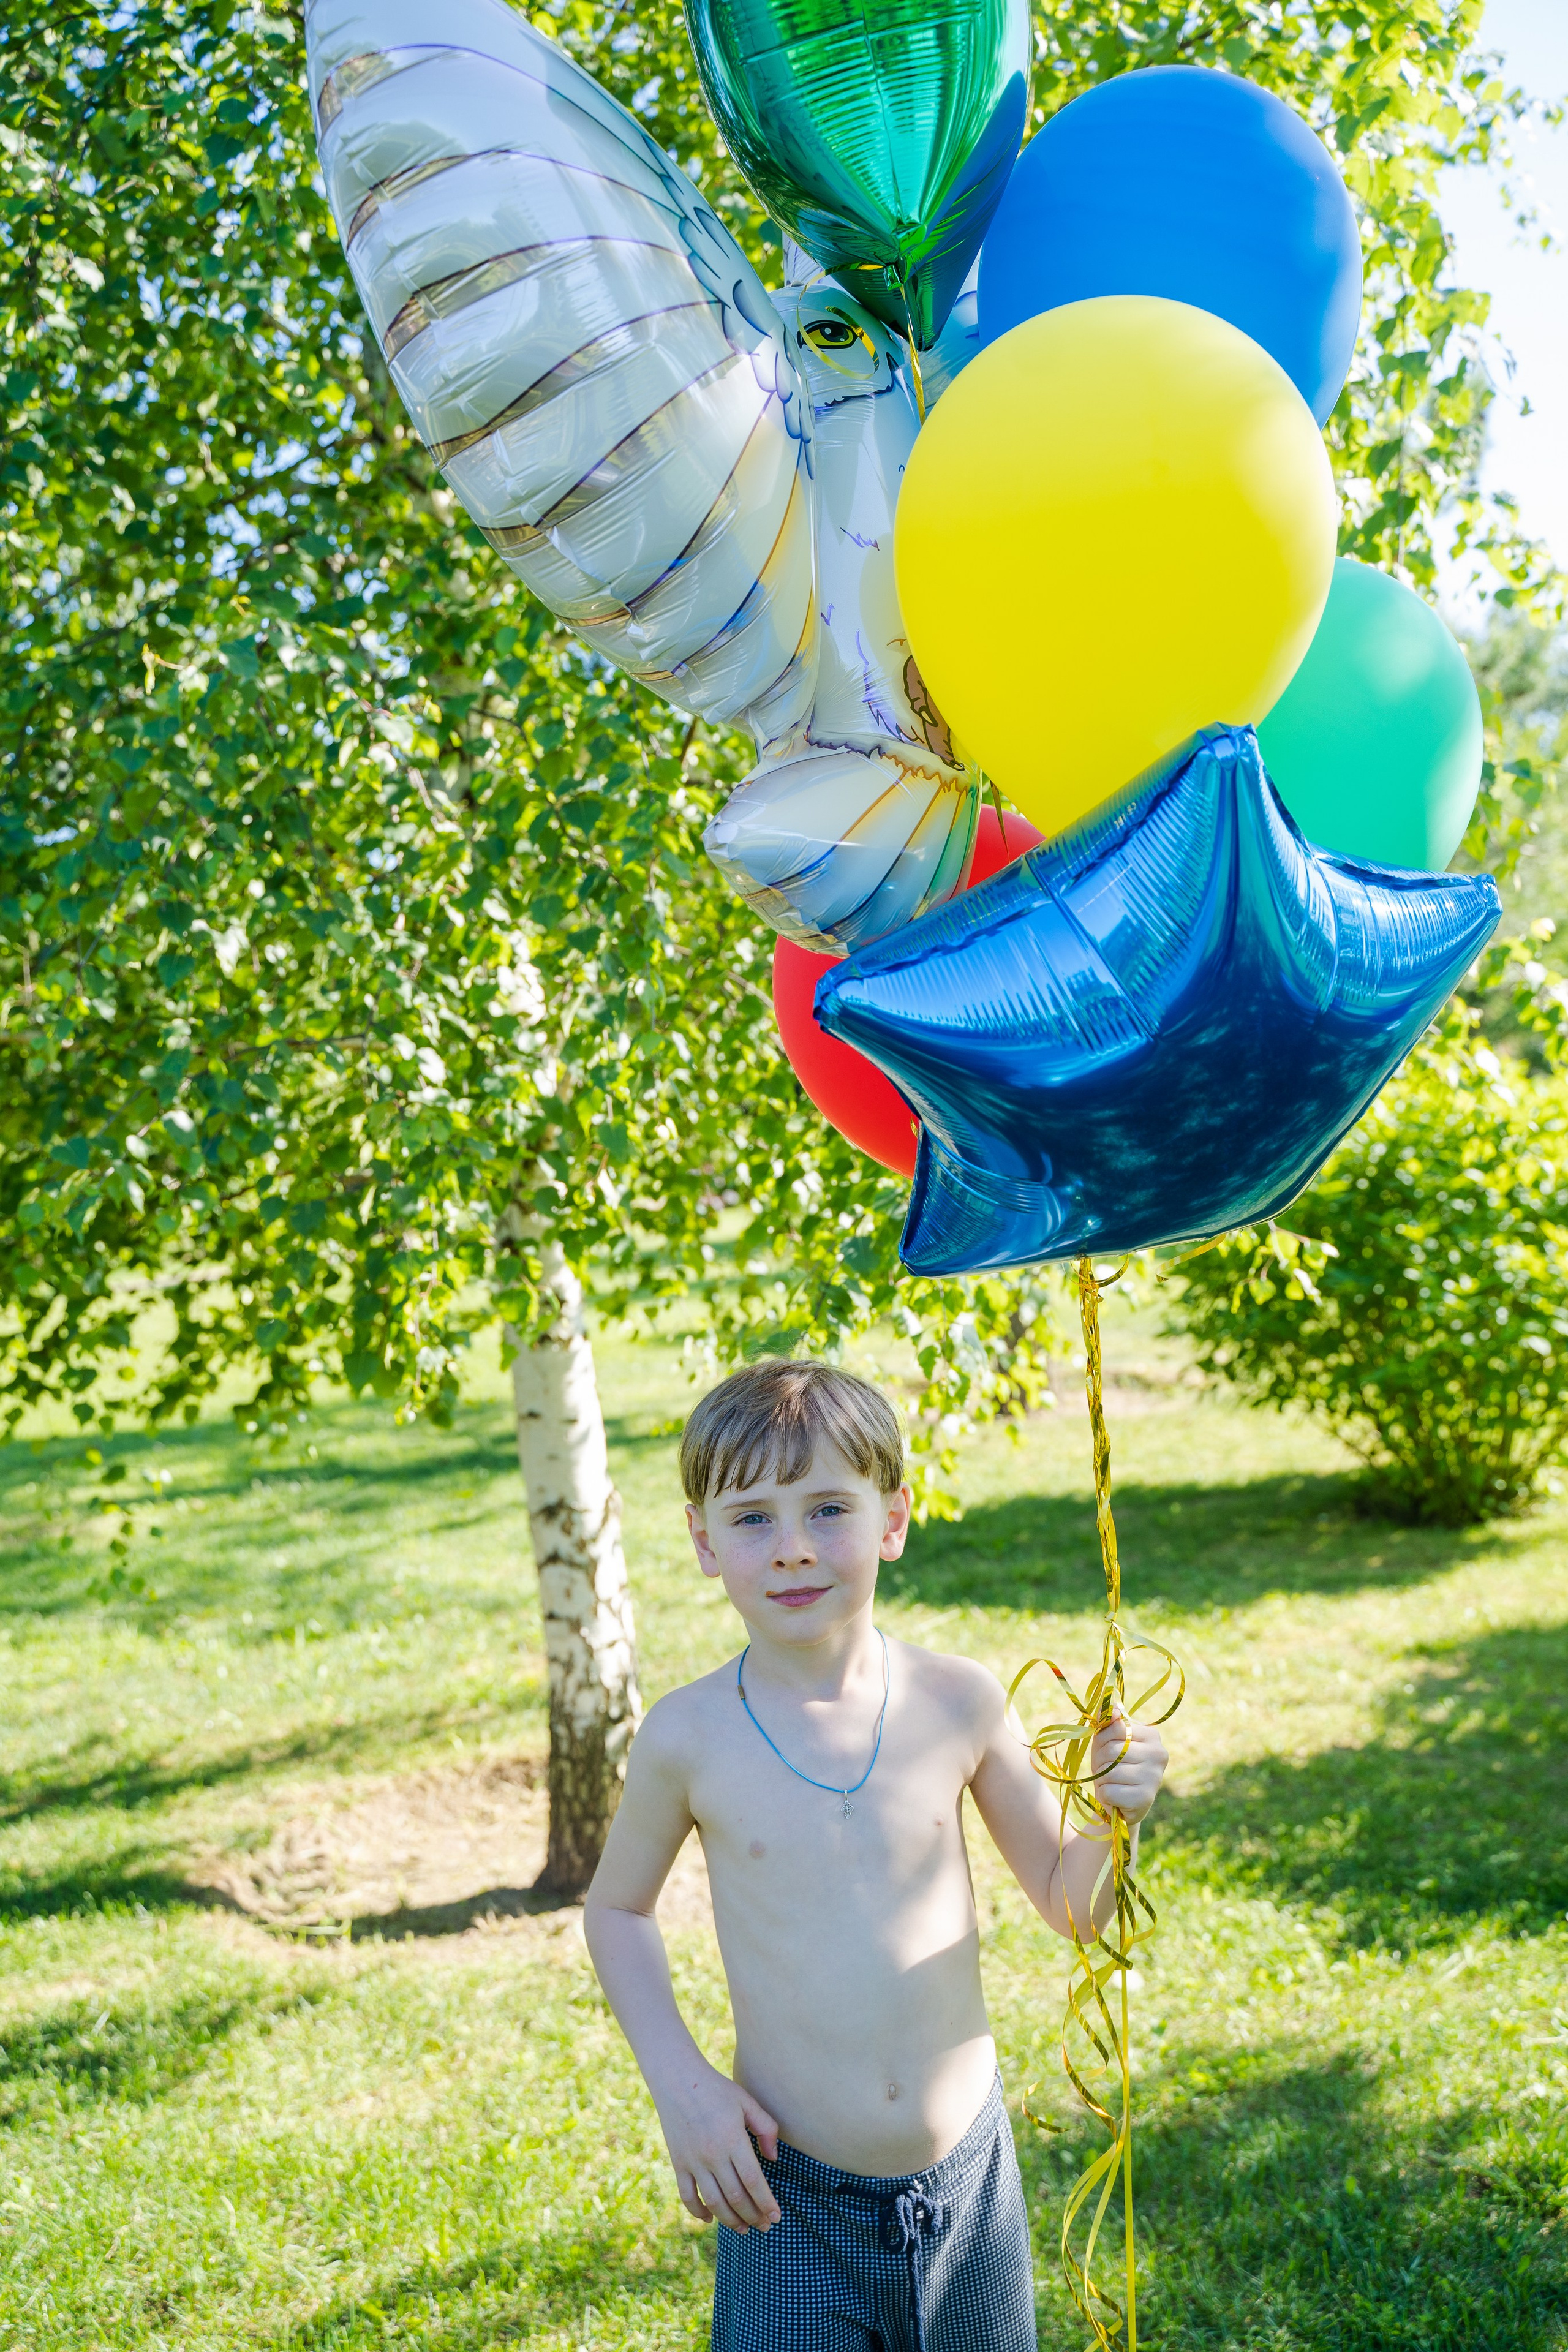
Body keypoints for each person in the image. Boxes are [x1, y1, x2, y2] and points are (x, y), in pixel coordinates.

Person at [584, 1359, 1170, 2351]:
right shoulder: (688, 1738)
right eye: (753, 1519)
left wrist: (1119, 1816)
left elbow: (1072, 1906)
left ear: (893, 1520)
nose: (793, 1551)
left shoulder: (959, 1701)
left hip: (970, 2184)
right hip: (791, 2201)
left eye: (827, 1509)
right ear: (703, 1543)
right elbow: (617, 1911)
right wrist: (684, 2087)